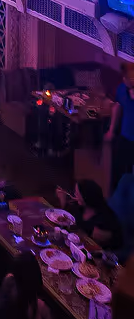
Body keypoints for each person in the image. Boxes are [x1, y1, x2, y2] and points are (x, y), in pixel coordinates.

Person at [56, 178, 124, 250]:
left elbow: (118, 240)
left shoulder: (105, 216)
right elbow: (66, 218)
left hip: (90, 251)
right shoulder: (79, 206)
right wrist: (62, 199)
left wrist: (108, 236)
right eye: (75, 192)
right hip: (73, 245)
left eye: (78, 194)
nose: (75, 195)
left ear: (87, 197)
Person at [107, 62, 134, 190]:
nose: (127, 80)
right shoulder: (122, 88)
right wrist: (111, 130)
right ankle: (114, 197)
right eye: (126, 77)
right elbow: (117, 106)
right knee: (118, 172)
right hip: (125, 137)